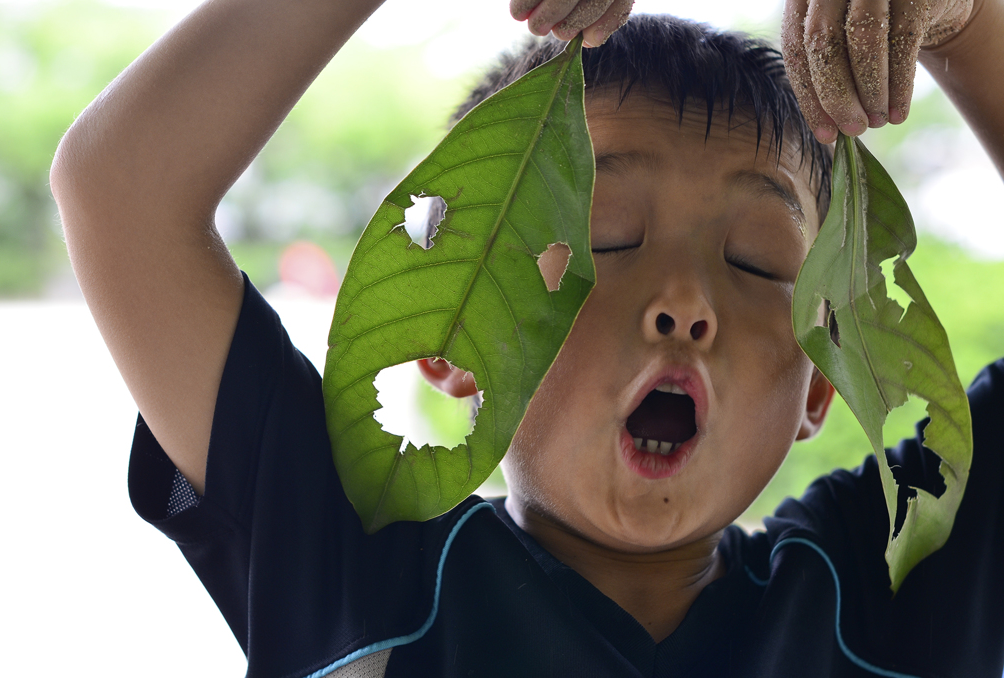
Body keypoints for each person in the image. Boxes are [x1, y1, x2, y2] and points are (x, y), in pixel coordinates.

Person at [50, 0, 1004, 675]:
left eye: (758, 262)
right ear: (460, 339)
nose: (682, 299)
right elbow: (122, 193)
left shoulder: (890, 587)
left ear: (821, 384)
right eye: (604, 240)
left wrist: (961, 25)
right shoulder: (358, 564)